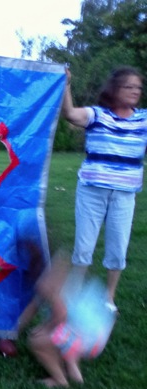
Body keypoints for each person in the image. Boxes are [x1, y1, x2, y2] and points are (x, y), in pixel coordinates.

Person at [62, 66, 147, 308]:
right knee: (83, 247)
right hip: (92, 192)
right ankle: (73, 294)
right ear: (115, 89)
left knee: (118, 249)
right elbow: (70, 114)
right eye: (129, 86)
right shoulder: (97, 115)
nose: (135, 91)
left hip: (124, 196)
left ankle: (109, 297)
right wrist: (66, 85)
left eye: (138, 87)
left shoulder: (144, 119)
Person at [27, 252, 116, 388]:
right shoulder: (61, 272)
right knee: (68, 335)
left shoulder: (48, 284)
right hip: (95, 333)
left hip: (86, 337)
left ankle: (60, 380)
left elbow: (61, 314)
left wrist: (45, 328)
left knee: (36, 341)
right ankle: (74, 373)